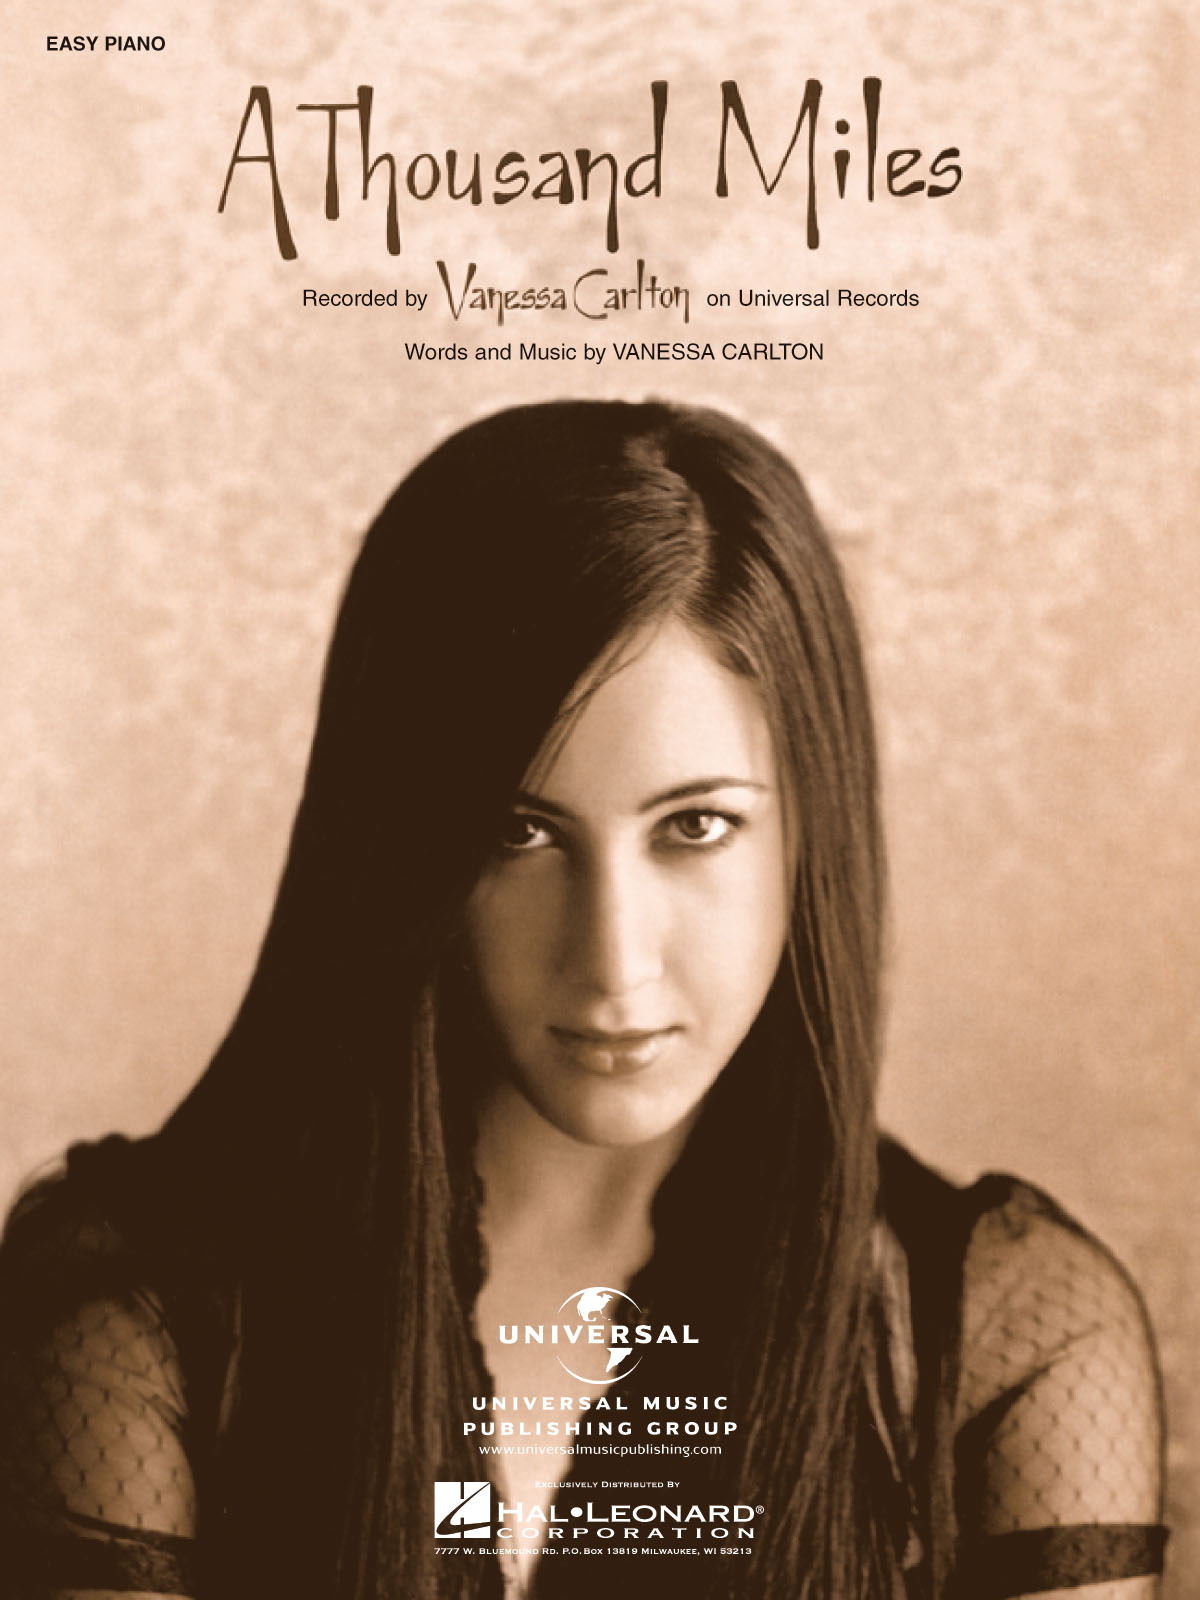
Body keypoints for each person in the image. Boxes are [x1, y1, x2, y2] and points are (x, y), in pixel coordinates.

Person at [0, 401, 1166, 1600]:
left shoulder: (1011, 1339)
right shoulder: (130, 1318)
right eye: (519, 832)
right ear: (404, 843)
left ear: (812, 829)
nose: (614, 964)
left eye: (695, 825)